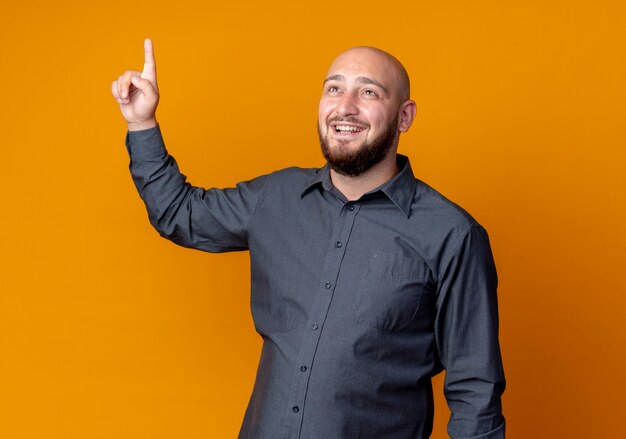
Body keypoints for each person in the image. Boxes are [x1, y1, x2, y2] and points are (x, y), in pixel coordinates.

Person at [112, 39, 506, 439]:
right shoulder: (276, 198)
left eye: (368, 92)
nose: (345, 106)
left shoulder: (452, 235)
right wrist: (141, 124)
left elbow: (475, 391)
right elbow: (180, 214)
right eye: (334, 88)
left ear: (404, 117)